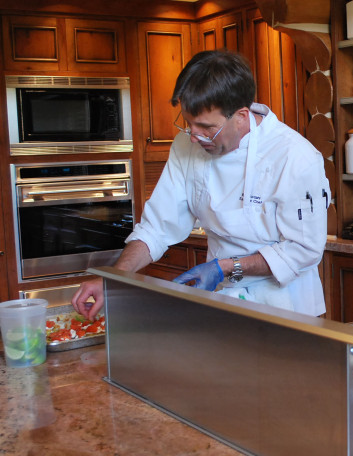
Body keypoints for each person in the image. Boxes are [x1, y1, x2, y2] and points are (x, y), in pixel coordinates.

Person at [72, 50, 330, 319]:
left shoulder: (295, 156)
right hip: (221, 300)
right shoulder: (186, 145)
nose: (194, 137)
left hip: (287, 308)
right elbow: (157, 227)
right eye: (188, 124)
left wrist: (226, 267)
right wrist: (114, 277)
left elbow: (304, 250)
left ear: (241, 115)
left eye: (206, 127)